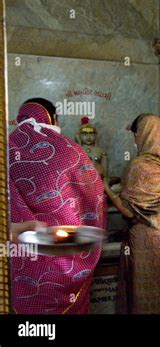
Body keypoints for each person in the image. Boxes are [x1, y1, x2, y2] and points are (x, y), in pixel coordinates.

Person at [8, 98, 106, 314]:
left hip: (21, 263)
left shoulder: (6, 149)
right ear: (53, 118)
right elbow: (94, 195)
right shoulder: (70, 150)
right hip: (65, 257)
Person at [104, 114, 160, 314]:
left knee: (147, 304)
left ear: (142, 134)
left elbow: (128, 211)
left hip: (150, 245)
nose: (135, 140)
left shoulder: (139, 166)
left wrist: (105, 188)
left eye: (136, 134)